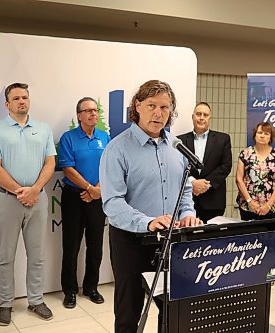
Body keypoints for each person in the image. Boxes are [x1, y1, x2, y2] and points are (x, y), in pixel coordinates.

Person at [100, 80, 202, 333]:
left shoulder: (177, 148)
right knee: (129, 312)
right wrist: (146, 222)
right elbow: (112, 203)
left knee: (172, 310)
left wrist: (188, 213)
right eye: (152, 105)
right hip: (131, 242)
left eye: (165, 107)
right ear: (137, 106)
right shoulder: (117, 149)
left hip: (170, 242)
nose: (158, 113)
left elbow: (185, 189)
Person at [0, 82, 56, 325]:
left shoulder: (43, 129)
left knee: (37, 255)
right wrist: (19, 191)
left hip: (38, 200)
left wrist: (34, 190)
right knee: (6, 255)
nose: (21, 101)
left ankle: (35, 300)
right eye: (16, 98)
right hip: (7, 200)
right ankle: (5, 304)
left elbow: (50, 163)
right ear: (7, 104)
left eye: (25, 97)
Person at [58, 97, 110, 308]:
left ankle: (91, 287)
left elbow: (109, 165)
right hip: (74, 197)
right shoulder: (68, 138)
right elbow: (68, 169)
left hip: (98, 197)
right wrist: (89, 189)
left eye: (95, 110)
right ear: (79, 115)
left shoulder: (104, 136)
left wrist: (97, 190)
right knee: (71, 246)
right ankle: (70, 291)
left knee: (95, 246)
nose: (93, 114)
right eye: (87, 111)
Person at [177, 102, 232, 222]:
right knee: (189, 238)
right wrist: (192, 182)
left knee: (212, 237)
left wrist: (205, 185)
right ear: (193, 117)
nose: (201, 117)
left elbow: (226, 166)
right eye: (198, 114)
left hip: (213, 200)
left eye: (205, 115)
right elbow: (177, 168)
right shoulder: (180, 141)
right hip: (188, 200)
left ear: (209, 118)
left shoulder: (223, 139)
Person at [235, 122, 275, 221]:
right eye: (260, 133)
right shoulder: (245, 154)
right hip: (247, 207)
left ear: (270, 137)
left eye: (266, 134)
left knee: (268, 236)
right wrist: (250, 201)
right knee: (248, 235)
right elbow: (239, 179)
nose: (262, 136)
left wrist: (268, 205)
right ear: (255, 135)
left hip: (270, 208)